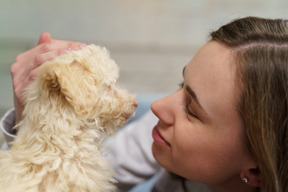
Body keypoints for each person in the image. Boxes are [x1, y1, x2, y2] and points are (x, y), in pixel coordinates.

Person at [1, 16, 287, 192]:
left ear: (256, 171)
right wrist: (34, 121)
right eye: (180, 85)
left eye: (191, 110)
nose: (158, 107)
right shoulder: (154, 132)